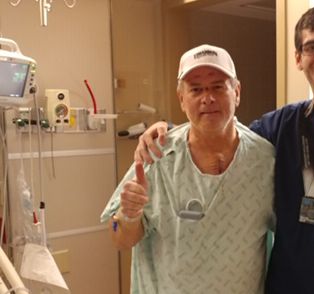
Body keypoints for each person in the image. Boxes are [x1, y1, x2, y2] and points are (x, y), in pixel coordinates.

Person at [135, 5, 314, 294]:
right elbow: (225, 138)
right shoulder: (279, 127)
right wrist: (168, 130)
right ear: (299, 58)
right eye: (312, 46)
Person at [101, 44, 275, 293]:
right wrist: (128, 216)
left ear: (237, 92)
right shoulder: (156, 155)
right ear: (182, 99)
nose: (208, 98)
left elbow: (290, 236)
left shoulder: (264, 159)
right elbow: (119, 238)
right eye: (196, 89)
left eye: (218, 86)